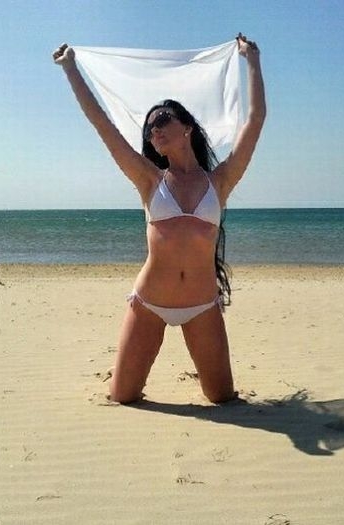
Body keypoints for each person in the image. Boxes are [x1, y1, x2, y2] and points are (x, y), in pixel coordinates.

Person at [53, 34, 266, 404]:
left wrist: (252, 60)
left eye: (163, 120)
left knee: (221, 398)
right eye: (149, 129)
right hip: (149, 303)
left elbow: (256, 118)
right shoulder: (149, 179)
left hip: (203, 306)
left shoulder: (220, 181)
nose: (154, 130)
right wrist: (70, 68)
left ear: (187, 128)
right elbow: (101, 122)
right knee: (123, 396)